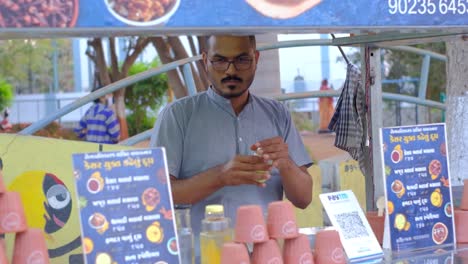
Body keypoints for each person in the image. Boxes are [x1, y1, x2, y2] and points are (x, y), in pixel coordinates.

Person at [150, 35, 312, 255]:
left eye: (242, 60)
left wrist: (286, 164)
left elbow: (303, 199)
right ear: (204, 61)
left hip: (265, 255)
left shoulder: (277, 114)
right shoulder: (177, 116)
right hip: (205, 256)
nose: (230, 70)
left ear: (256, 58)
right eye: (220, 60)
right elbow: (157, 196)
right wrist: (220, 176)